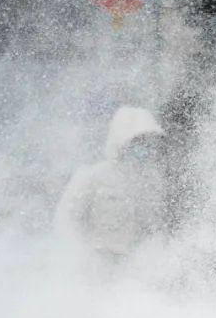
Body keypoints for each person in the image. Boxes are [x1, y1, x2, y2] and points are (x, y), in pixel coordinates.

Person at [55, 105, 166, 259]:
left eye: (148, 142)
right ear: (121, 142)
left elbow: (155, 228)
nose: (144, 148)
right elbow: (67, 221)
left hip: (135, 269)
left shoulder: (152, 182)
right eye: (138, 142)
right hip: (96, 267)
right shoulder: (92, 177)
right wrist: (81, 256)